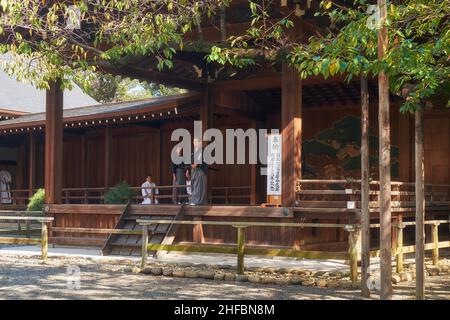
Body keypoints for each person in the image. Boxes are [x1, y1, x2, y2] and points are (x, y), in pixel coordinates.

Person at [190, 137, 208, 205]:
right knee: (193, 185)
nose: (194, 143)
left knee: (199, 186)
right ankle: (194, 200)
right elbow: (190, 160)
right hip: (193, 170)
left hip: (201, 170)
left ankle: (198, 201)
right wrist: (188, 170)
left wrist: (197, 164)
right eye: (194, 142)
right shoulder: (192, 151)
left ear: (200, 143)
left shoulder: (203, 150)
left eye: (196, 141)